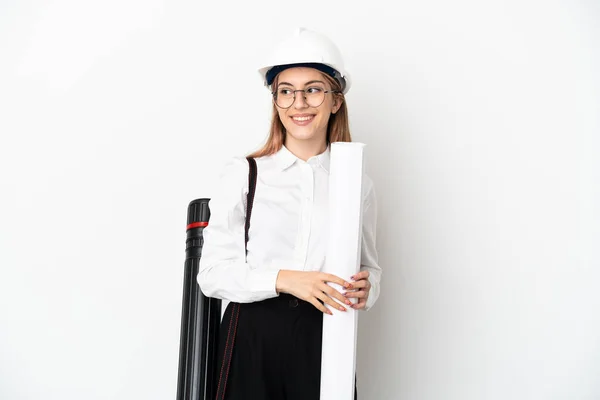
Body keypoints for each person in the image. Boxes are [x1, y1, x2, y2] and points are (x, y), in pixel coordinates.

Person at [197, 27, 381, 400]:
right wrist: (286, 279)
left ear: (335, 101)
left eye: (313, 89)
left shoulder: (355, 183)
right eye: (286, 91)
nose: (299, 103)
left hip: (326, 336)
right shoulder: (245, 173)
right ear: (276, 101)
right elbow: (212, 275)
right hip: (250, 338)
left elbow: (369, 267)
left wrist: (368, 288)